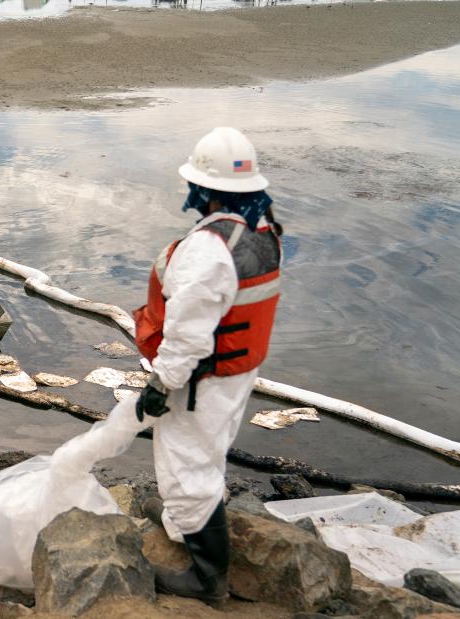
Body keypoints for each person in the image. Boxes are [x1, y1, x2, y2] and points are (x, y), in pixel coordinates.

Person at [125, 127, 281, 603]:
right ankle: (179, 523)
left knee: (183, 463)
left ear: (205, 189)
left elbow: (188, 332)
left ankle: (207, 578)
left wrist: (160, 383)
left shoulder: (209, 249)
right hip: (237, 373)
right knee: (208, 450)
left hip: (203, 378)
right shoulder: (262, 230)